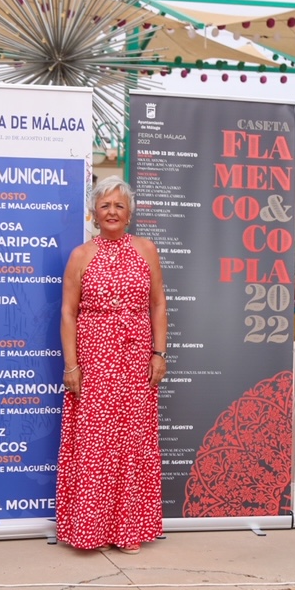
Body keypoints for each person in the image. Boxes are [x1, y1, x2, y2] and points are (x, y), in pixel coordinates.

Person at [56, 176, 167, 553]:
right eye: (105, 205)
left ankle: (128, 530)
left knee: (133, 442)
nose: (112, 212)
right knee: (96, 444)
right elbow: (68, 313)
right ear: (94, 213)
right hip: (95, 359)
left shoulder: (147, 249)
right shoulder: (81, 255)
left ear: (130, 211)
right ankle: (90, 530)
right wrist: (72, 366)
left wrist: (159, 352)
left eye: (119, 205)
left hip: (136, 359)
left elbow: (158, 305)